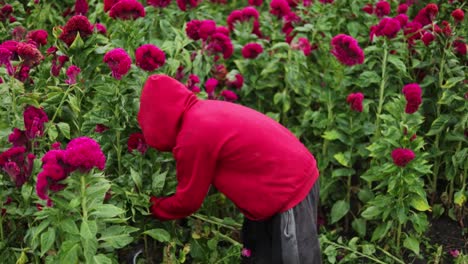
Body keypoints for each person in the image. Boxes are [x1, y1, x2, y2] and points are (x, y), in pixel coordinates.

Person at [137, 74, 322, 264]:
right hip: (279, 185)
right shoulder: (203, 111)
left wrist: (151, 207)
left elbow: (188, 202)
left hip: (288, 190)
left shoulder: (192, 135)